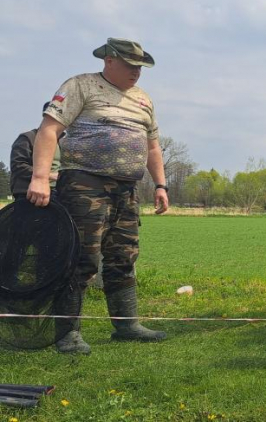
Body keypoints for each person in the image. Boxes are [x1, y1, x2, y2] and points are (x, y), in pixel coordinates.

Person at [27, 38, 169, 354]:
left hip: (126, 189)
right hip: (83, 184)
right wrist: (39, 177)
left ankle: (127, 325)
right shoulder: (81, 86)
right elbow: (49, 130)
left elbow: (152, 146)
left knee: (123, 255)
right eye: (131, 66)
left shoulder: (143, 100)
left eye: (140, 67)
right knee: (82, 257)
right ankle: (67, 334)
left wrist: (161, 185)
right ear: (109, 61)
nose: (136, 72)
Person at [9, 103, 61, 200]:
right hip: (30, 193)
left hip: (58, 192)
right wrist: (48, 175)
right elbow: (18, 165)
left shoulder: (63, 141)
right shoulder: (28, 138)